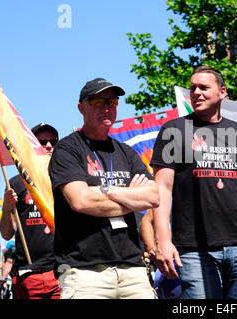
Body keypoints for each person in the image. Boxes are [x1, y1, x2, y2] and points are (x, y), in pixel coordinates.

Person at [151, 65, 237, 299]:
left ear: (222, 92)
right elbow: (162, 191)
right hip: (193, 250)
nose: (197, 92)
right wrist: (163, 241)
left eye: (204, 87)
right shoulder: (174, 131)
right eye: (193, 88)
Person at [48, 77, 159, 299]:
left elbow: (153, 196)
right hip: (84, 272)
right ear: (81, 108)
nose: (107, 107)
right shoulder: (67, 150)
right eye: (99, 102)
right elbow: (81, 201)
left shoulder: (126, 152)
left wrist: (105, 190)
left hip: (133, 270)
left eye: (113, 102)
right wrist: (131, 199)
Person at [0, 123, 61, 299]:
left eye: (53, 141)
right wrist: (6, 207)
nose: (48, 145)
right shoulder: (16, 183)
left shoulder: (66, 179)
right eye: (42, 141)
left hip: (61, 270)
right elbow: (5, 233)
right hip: (28, 274)